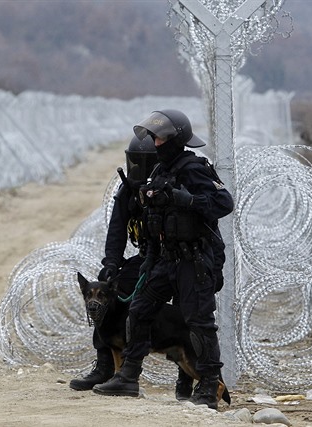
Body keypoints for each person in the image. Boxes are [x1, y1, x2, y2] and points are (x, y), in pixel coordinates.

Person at [92, 109, 234, 410]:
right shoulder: (159, 173)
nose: (154, 143)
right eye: (153, 138)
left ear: (175, 139)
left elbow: (224, 202)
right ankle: (128, 376)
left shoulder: (194, 168)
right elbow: (152, 223)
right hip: (164, 261)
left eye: (159, 138)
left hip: (193, 262)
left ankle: (208, 385)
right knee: (139, 310)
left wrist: (189, 200)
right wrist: (147, 264)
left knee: (198, 323)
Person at [69, 134, 158, 391]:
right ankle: (105, 365)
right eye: (135, 161)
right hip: (145, 256)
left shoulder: (170, 183)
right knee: (105, 286)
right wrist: (111, 264)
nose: (139, 167)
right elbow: (117, 231)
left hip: (172, 256)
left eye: (145, 161)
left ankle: (185, 379)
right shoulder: (128, 189)